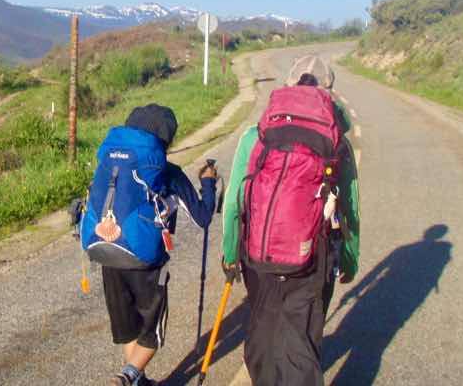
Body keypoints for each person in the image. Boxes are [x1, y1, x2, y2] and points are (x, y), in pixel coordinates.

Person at [220, 56, 360, 386]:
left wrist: (229, 254)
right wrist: (350, 259)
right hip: (314, 254)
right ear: (329, 93)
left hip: (258, 251)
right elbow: (349, 208)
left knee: (263, 331)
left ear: (288, 86)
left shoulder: (256, 135)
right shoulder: (338, 143)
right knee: (300, 340)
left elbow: (234, 204)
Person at [82, 104, 218, 386]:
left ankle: (138, 380)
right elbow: (203, 217)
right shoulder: (169, 173)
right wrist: (208, 184)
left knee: (129, 326)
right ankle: (125, 378)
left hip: (108, 254)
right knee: (151, 335)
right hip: (147, 263)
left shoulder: (109, 164)